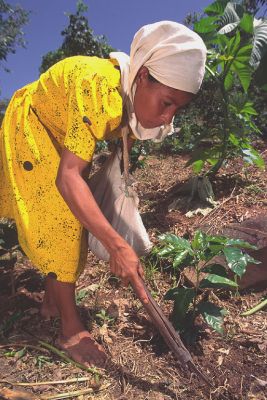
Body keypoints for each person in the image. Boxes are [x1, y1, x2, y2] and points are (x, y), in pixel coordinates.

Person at [0, 21, 206, 368]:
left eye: (177, 109)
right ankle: (69, 329)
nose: (168, 117)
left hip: (56, 135)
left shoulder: (133, 99)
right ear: (142, 77)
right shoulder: (97, 87)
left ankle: (52, 302)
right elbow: (68, 179)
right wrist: (117, 245)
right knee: (63, 222)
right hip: (32, 126)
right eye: (166, 102)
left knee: (77, 217)